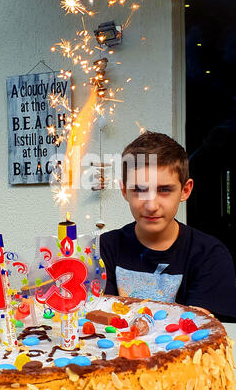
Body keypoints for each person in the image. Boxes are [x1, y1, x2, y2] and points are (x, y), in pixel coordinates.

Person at [100, 131, 236, 322]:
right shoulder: (105, 247)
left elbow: (201, 333)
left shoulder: (210, 255)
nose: (151, 205)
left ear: (185, 190)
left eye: (164, 190)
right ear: (124, 191)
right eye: (139, 190)